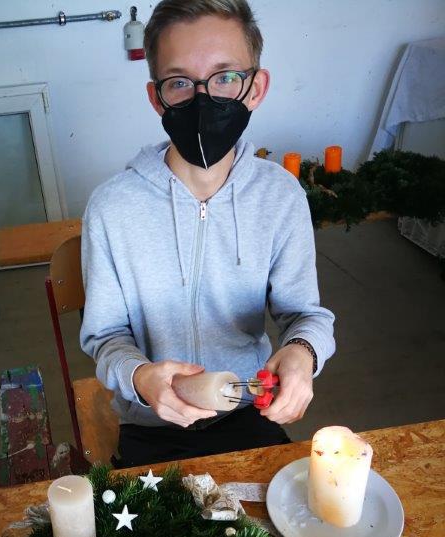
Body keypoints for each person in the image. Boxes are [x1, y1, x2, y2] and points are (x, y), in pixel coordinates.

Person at [80, 0, 335, 467]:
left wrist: (302, 353)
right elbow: (106, 335)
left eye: (225, 77)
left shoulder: (280, 197)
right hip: (152, 422)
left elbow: (306, 316)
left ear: (256, 88)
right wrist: (139, 377)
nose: (203, 99)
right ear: (156, 97)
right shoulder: (112, 208)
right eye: (179, 82)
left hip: (247, 410)